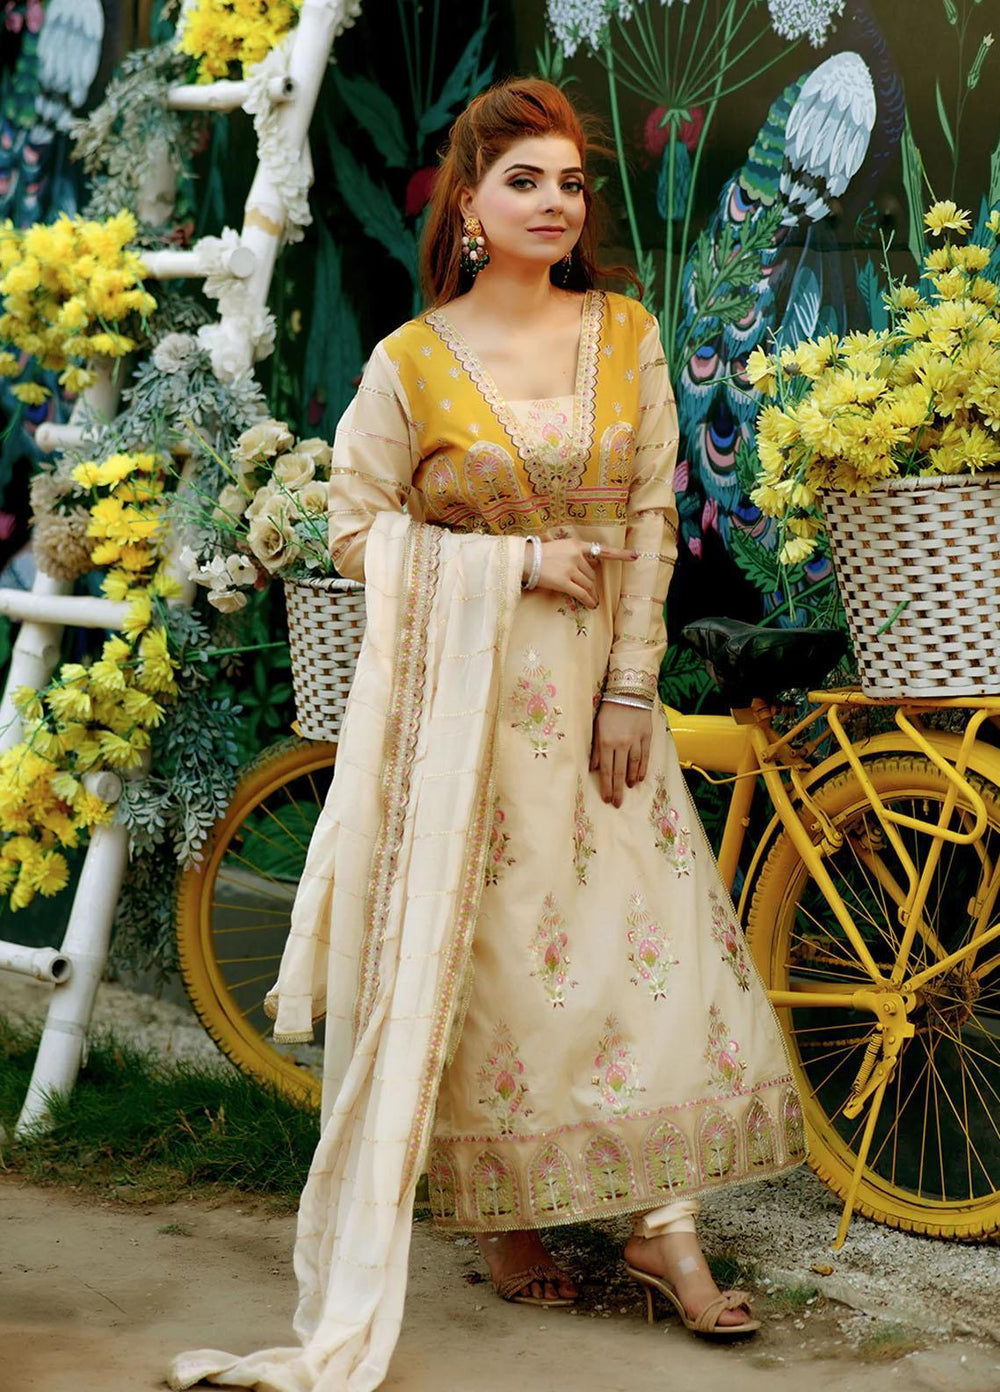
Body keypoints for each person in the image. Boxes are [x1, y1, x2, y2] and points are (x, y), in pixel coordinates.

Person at [170, 77, 802, 1392]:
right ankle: (510, 1224)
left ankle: (667, 1233)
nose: (555, 204)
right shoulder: (409, 363)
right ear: (469, 202)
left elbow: (646, 522)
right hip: (467, 720)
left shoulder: (625, 335)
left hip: (598, 709)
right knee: (501, 966)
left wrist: (633, 688)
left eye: (571, 183)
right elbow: (357, 530)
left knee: (648, 958)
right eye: (526, 181)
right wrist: (508, 566)